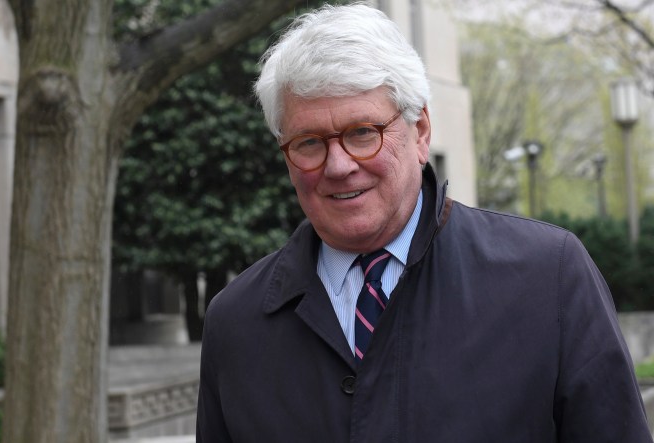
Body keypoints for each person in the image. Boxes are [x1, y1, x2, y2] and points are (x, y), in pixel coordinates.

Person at [196, 4, 652, 442]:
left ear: (420, 132)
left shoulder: (548, 278)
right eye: (309, 142)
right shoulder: (235, 324)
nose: (337, 165)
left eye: (362, 133)